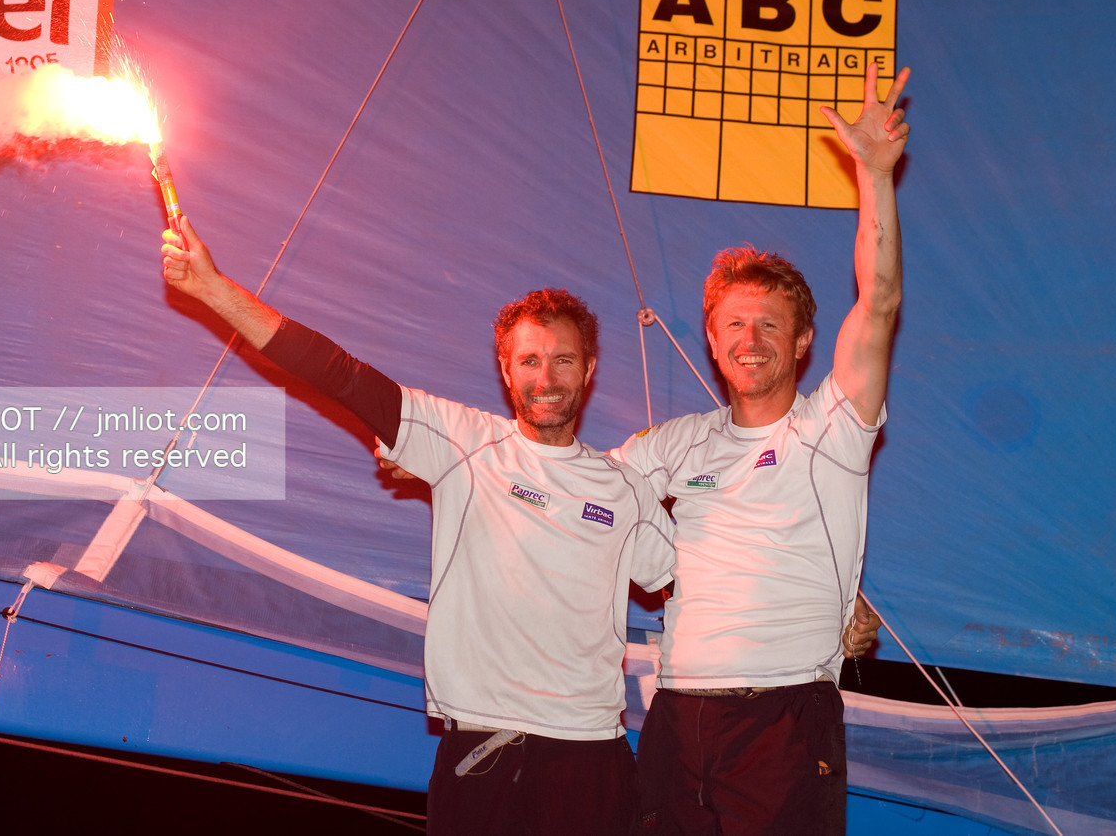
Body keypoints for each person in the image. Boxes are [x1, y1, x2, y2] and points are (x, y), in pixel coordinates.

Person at [161, 224, 676, 835]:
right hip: (483, 751)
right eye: (529, 361)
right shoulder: (463, 440)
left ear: (588, 369)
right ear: (506, 372)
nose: (547, 377)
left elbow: (698, 588)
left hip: (593, 757)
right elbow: (340, 374)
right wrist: (215, 290)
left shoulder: (625, 489)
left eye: (563, 360)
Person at [614, 60, 910, 835]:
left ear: (805, 340)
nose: (751, 341)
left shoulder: (830, 431)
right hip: (676, 720)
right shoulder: (673, 446)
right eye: (735, 325)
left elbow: (877, 305)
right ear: (711, 341)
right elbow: (573, 498)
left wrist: (873, 175)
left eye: (770, 324)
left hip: (783, 721)